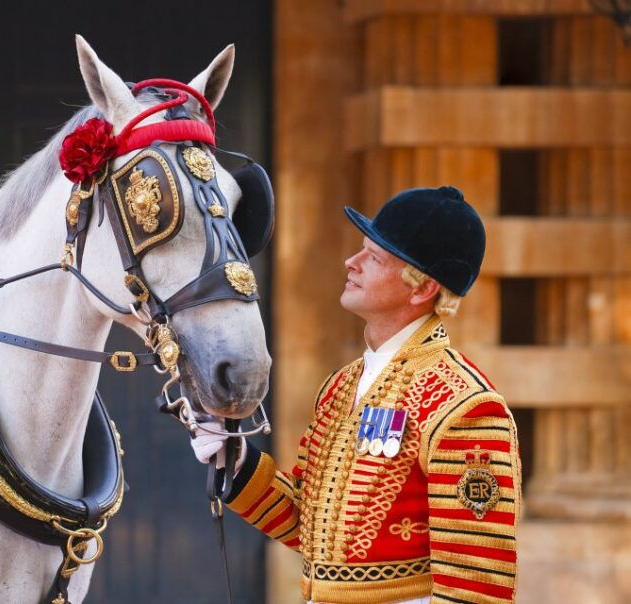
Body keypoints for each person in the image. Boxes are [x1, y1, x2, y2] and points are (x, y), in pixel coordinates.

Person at [191, 186, 521, 604]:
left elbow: (475, 584)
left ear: (422, 289)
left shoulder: (464, 406)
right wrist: (237, 461)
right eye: (361, 249)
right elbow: (309, 529)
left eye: (375, 257)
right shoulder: (341, 386)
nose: (352, 262)